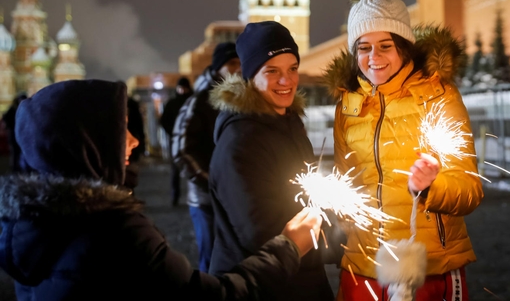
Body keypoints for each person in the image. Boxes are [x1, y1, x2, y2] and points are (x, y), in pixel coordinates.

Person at [0, 79, 323, 301]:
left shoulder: (30, 226)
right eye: (121, 129)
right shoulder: (116, 233)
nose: (134, 140)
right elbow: (215, 296)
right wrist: (288, 247)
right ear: (86, 142)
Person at [324, 0, 484, 301]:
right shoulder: (348, 105)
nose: (374, 58)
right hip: (362, 267)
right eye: (364, 47)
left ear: (404, 46)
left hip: (428, 267)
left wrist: (430, 188)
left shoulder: (438, 95)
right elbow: (346, 184)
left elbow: (470, 189)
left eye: (385, 45)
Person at [208, 21, 334, 301]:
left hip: (301, 281)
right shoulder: (240, 142)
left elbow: (307, 198)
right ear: (251, 76)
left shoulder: (289, 124)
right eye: (272, 71)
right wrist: (341, 240)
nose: (286, 81)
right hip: (262, 289)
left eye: (292, 69)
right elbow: (262, 233)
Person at [172, 42, 240, 272]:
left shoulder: (244, 100)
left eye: (241, 63)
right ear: (218, 68)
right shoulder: (200, 101)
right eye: (232, 63)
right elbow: (181, 150)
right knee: (212, 263)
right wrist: (210, 182)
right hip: (206, 201)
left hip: (237, 198)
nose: (238, 68)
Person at [160, 76, 193, 206]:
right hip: (175, 140)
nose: (182, 90)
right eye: (180, 88)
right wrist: (173, 133)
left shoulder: (193, 102)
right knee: (175, 170)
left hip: (191, 140)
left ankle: (192, 196)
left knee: (192, 169)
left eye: (184, 88)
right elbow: (164, 121)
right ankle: (175, 196)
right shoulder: (172, 103)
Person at [1, 92, 28, 173]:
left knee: (19, 152)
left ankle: (18, 168)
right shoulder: (14, 110)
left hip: (17, 133)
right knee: (16, 152)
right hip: (14, 134)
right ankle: (16, 168)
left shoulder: (16, 109)